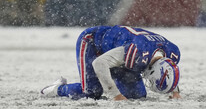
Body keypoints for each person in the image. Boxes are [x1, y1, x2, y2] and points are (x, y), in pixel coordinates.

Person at [41, 25, 181, 101]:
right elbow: (99, 63)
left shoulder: (172, 53)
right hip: (94, 43)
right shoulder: (137, 52)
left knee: (136, 95)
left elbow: (168, 67)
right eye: (152, 80)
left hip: (123, 51)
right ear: (153, 71)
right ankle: (57, 89)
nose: (149, 81)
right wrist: (115, 94)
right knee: (92, 93)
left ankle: (115, 85)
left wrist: (174, 90)